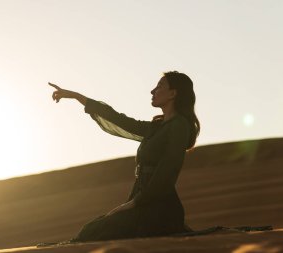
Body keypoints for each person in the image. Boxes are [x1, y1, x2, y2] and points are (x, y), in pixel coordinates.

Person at [48, 71, 200, 242]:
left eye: (159, 86)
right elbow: (119, 120)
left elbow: (168, 171)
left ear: (173, 93)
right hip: (141, 199)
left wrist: (136, 203)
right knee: (92, 230)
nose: (152, 91)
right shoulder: (157, 127)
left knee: (95, 232)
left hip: (158, 206)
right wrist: (75, 96)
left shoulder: (179, 125)